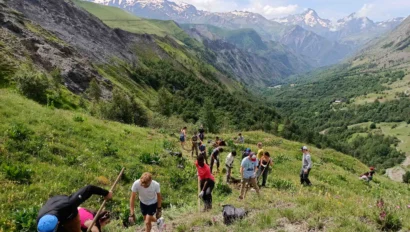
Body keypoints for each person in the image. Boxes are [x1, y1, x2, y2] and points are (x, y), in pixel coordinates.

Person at [37, 185, 113, 232]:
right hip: (54, 208)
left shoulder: (69, 204)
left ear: (58, 223)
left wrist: (106, 193)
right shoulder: (41, 223)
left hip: (68, 213)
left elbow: (89, 188)